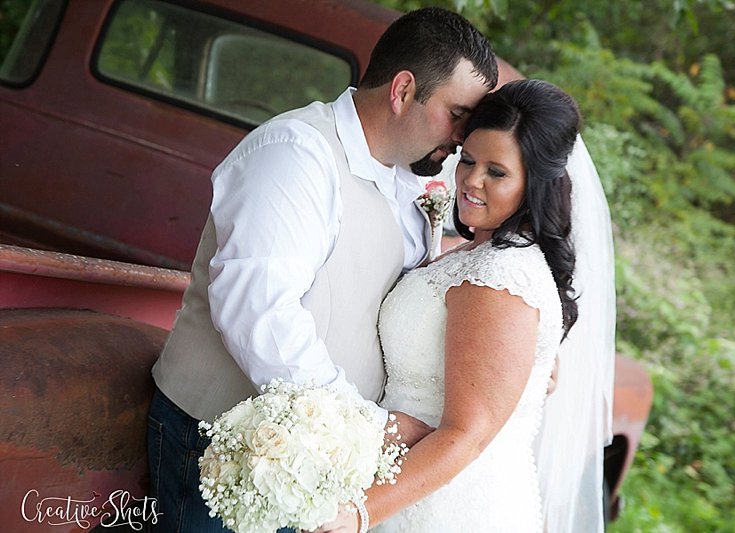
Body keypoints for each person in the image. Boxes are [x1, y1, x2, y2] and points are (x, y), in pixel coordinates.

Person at [145, 7, 498, 532]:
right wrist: (368, 426)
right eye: (457, 113)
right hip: (222, 447)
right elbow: (258, 312)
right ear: (402, 91)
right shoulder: (296, 154)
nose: (463, 138)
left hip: (323, 464)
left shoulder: (414, 181)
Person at [315, 79, 597, 533]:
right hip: (406, 480)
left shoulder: (500, 278)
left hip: (441, 504)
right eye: (467, 160)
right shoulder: (482, 256)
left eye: (497, 173)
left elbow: (467, 433)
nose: (471, 181)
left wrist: (357, 513)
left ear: (535, 184)